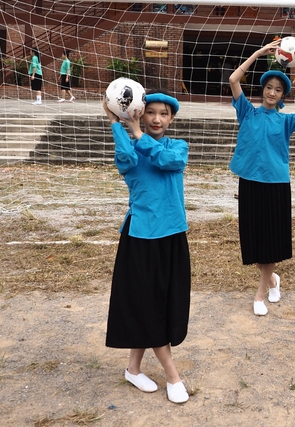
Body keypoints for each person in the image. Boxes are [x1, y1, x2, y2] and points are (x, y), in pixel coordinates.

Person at [103, 91, 191, 404]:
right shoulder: (131, 150)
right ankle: (172, 375)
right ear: (139, 111)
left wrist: (138, 132)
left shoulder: (177, 148)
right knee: (149, 305)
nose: (156, 119)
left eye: (163, 114)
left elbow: (170, 162)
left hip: (172, 235)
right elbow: (125, 160)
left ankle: (133, 369)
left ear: (172, 119)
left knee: (157, 304)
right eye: (149, 112)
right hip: (140, 238)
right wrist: (117, 123)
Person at [228, 40, 295, 316]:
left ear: (283, 96)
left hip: (276, 185)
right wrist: (258, 53)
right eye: (269, 87)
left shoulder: (286, 121)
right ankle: (272, 280)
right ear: (263, 89)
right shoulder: (247, 112)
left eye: (278, 90)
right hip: (249, 183)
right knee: (254, 243)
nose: (272, 92)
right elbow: (233, 79)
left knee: (269, 242)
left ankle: (260, 295)